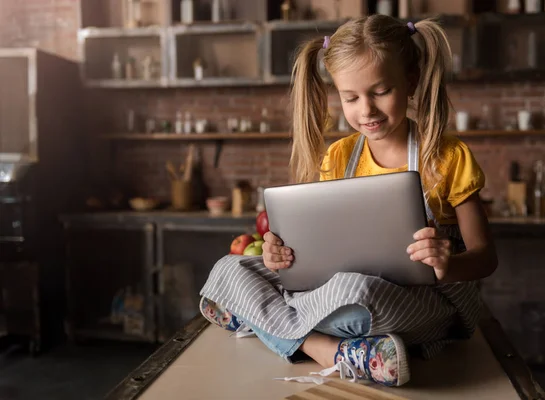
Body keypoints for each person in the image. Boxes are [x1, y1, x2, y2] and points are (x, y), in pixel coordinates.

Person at [199, 15, 497, 387]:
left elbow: (486, 258)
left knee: (356, 295)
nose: (366, 110)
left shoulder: (448, 156)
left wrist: (445, 265)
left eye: (381, 91)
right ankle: (332, 349)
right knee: (230, 270)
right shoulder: (338, 156)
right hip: (336, 294)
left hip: (424, 300)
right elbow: (320, 248)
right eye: (350, 98)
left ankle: (272, 323)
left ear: (411, 81)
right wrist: (281, 254)